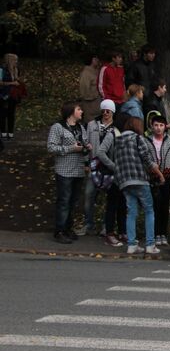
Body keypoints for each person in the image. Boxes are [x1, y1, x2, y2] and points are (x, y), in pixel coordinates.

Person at [113, 116, 164, 254]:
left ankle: (131, 244)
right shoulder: (138, 139)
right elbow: (147, 159)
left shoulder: (117, 141)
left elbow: (116, 162)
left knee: (131, 212)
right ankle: (150, 244)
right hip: (140, 179)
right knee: (149, 210)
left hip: (125, 181)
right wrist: (159, 174)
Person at [47, 102, 90, 244]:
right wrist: (70, 148)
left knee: (73, 201)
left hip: (78, 171)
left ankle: (67, 228)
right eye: (79, 109)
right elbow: (51, 147)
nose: (81, 111)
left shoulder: (80, 127)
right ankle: (59, 230)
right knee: (64, 201)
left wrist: (86, 148)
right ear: (71, 112)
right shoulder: (58, 127)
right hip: (64, 170)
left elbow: (83, 144)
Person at [77, 99, 116, 236]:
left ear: (112, 112)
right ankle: (89, 224)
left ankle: (107, 226)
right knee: (89, 195)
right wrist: (86, 163)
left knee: (109, 199)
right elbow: (86, 144)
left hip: (110, 168)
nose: (105, 113)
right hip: (94, 166)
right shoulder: (92, 125)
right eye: (104, 110)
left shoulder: (116, 128)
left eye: (108, 111)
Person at [146, 115, 170, 246]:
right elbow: (145, 158)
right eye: (156, 125)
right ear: (152, 126)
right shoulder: (147, 140)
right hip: (153, 176)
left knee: (165, 204)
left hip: (168, 175)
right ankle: (155, 233)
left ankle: (163, 233)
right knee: (154, 204)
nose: (158, 128)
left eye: (161, 125)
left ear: (165, 127)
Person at [95, 111, 128, 247]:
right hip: (113, 175)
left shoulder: (125, 135)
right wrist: (113, 166)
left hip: (123, 177)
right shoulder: (112, 134)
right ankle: (109, 233)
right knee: (112, 205)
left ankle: (122, 231)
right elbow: (100, 152)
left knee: (122, 204)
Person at [1, 53, 21, 139]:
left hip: (13, 95)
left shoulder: (16, 70)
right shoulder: (2, 69)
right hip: (3, 95)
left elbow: (17, 81)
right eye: (15, 60)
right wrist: (12, 83)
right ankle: (3, 132)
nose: (16, 62)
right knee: (3, 114)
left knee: (11, 114)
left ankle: (10, 132)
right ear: (10, 61)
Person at [78, 53, 102, 123]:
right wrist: (95, 95)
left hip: (98, 106)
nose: (97, 60)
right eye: (95, 58)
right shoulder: (86, 73)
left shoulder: (96, 71)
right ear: (92, 60)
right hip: (90, 107)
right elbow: (84, 91)